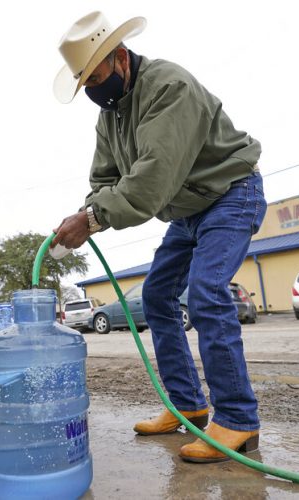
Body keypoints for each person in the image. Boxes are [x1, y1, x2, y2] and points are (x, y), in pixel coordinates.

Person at [51, 12, 267, 464]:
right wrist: (89, 210)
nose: (93, 88)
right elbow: (104, 178)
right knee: (156, 298)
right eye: (84, 82)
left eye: (97, 75)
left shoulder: (170, 87)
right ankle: (188, 405)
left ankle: (239, 421)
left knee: (206, 293)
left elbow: (151, 181)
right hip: (188, 213)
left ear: (121, 57)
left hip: (230, 194)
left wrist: (90, 220)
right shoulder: (111, 117)